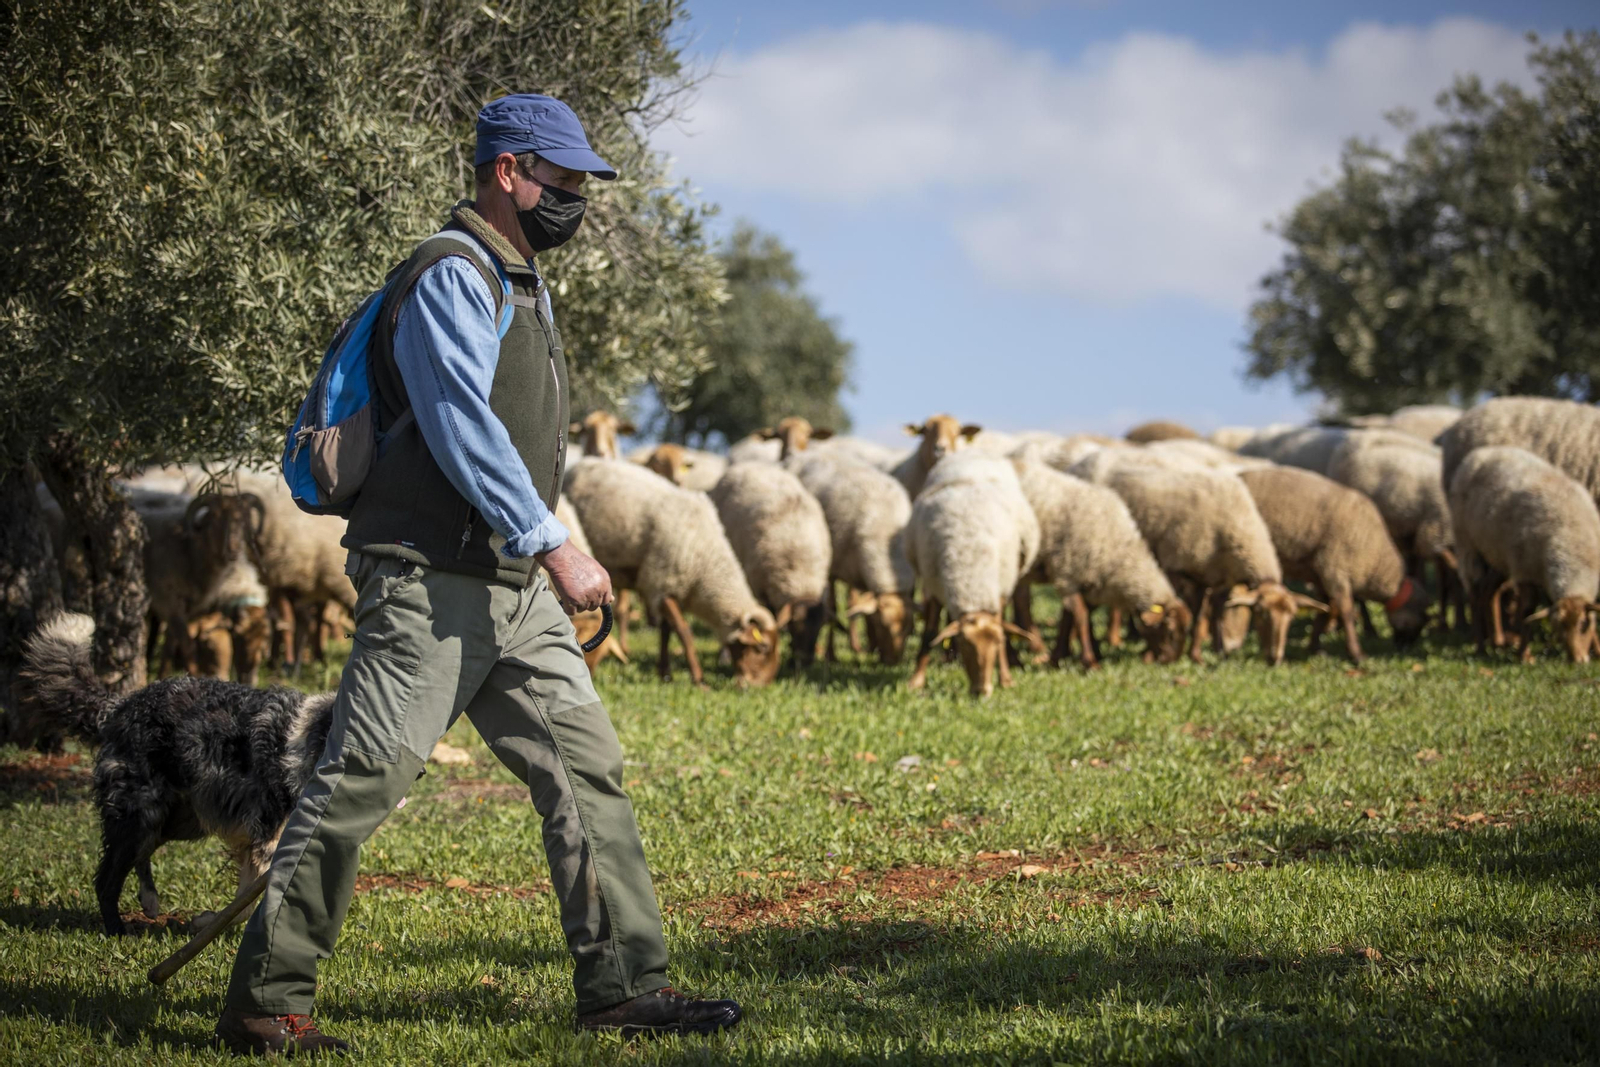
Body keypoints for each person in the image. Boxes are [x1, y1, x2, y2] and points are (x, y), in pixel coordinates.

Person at [214, 94, 742, 1056]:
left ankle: (625, 986)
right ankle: (267, 1000)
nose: (576, 198)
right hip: (425, 579)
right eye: (564, 181)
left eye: (581, 183)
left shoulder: (525, 281)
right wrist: (558, 542)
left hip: (511, 585)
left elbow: (514, 444)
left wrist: (543, 545)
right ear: (510, 173)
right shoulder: (452, 276)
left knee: (587, 771)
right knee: (362, 778)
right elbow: (460, 423)